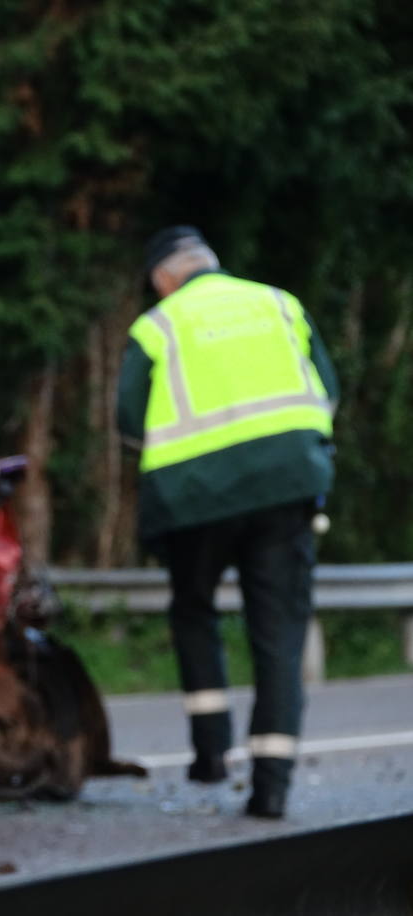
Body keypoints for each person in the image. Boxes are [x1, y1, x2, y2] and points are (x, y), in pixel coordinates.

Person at [116, 226, 339, 819]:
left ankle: (211, 753)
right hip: (287, 486)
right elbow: (328, 391)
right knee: (279, 631)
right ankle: (272, 786)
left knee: (193, 608)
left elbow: (130, 421)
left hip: (194, 496)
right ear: (209, 263)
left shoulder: (156, 325)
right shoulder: (279, 303)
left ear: (163, 278)